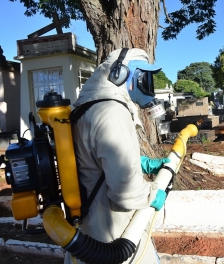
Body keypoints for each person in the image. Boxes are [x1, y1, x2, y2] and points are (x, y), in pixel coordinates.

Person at [65, 48, 169, 264]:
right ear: (120, 74)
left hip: (89, 235)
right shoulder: (112, 112)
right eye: (144, 78)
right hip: (114, 239)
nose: (148, 86)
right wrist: (155, 192)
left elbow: (93, 159)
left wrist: (140, 164)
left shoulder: (88, 107)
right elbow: (127, 194)